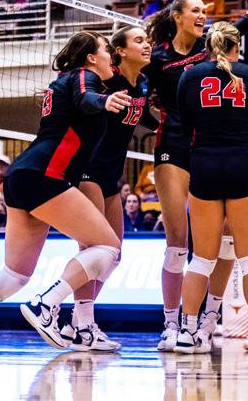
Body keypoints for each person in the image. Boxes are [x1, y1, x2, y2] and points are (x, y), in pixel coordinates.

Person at [0, 31, 130, 352]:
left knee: (15, 274)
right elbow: (87, 97)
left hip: (24, 176)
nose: (110, 57)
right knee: (108, 247)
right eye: (106, 50)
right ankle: (46, 305)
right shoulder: (81, 76)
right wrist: (103, 101)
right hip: (44, 175)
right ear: (90, 57)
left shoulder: (66, 82)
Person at [144, 0, 248, 352]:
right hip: (177, 145)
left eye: (205, 12)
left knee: (219, 245)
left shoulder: (210, 49)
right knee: (179, 241)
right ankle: (172, 324)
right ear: (177, 16)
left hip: (203, 149)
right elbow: (136, 94)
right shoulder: (158, 57)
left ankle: (204, 321)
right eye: (195, 10)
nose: (203, 15)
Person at [174, 21, 248, 355]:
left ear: (208, 45)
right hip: (243, 163)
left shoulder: (190, 76)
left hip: (205, 164)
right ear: (237, 45)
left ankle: (186, 331)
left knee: (201, 259)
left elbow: (185, 127)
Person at [61, 25, 157, 352]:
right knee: (94, 250)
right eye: (139, 41)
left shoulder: (142, 83)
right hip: (88, 171)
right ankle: (83, 326)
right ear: (120, 51)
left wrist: (168, 121)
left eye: (147, 40)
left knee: (113, 255)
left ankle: (79, 321)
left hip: (112, 176)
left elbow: (143, 115)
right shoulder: (105, 80)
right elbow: (85, 98)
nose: (147, 45)